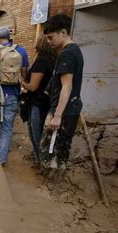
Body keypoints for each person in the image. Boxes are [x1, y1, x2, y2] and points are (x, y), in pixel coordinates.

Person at [40, 14, 84, 181]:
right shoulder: (75, 51)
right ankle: (56, 181)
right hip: (70, 108)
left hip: (62, 111)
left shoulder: (67, 54)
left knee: (51, 148)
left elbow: (67, 85)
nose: (49, 42)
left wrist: (57, 115)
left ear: (63, 33)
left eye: (51, 37)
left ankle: (51, 183)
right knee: (61, 147)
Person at [0, 26, 29, 166]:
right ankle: (1, 160)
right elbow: (24, 73)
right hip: (12, 94)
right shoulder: (21, 50)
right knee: (7, 129)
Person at [19, 35, 57, 167]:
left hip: (37, 103)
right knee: (40, 133)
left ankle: (41, 162)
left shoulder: (41, 61)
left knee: (36, 133)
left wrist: (22, 82)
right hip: (46, 103)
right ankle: (40, 161)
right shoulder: (54, 60)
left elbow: (33, 86)